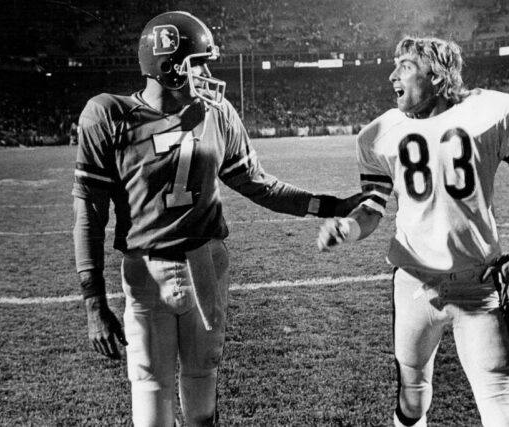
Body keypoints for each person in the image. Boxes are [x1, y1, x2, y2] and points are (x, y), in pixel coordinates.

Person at [72, 11, 360, 427]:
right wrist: (94, 303)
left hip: (208, 264)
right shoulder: (108, 115)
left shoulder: (217, 111)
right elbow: (89, 216)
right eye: (198, 63)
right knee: (150, 409)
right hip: (146, 272)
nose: (207, 72)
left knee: (202, 400)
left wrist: (328, 205)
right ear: (167, 65)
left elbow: (260, 184)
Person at [317, 36, 509, 427]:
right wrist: (347, 227)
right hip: (414, 284)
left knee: (498, 395)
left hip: (478, 283)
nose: (392, 74)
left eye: (406, 66)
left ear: (437, 74)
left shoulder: (492, 110)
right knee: (413, 400)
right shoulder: (378, 134)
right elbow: (373, 207)